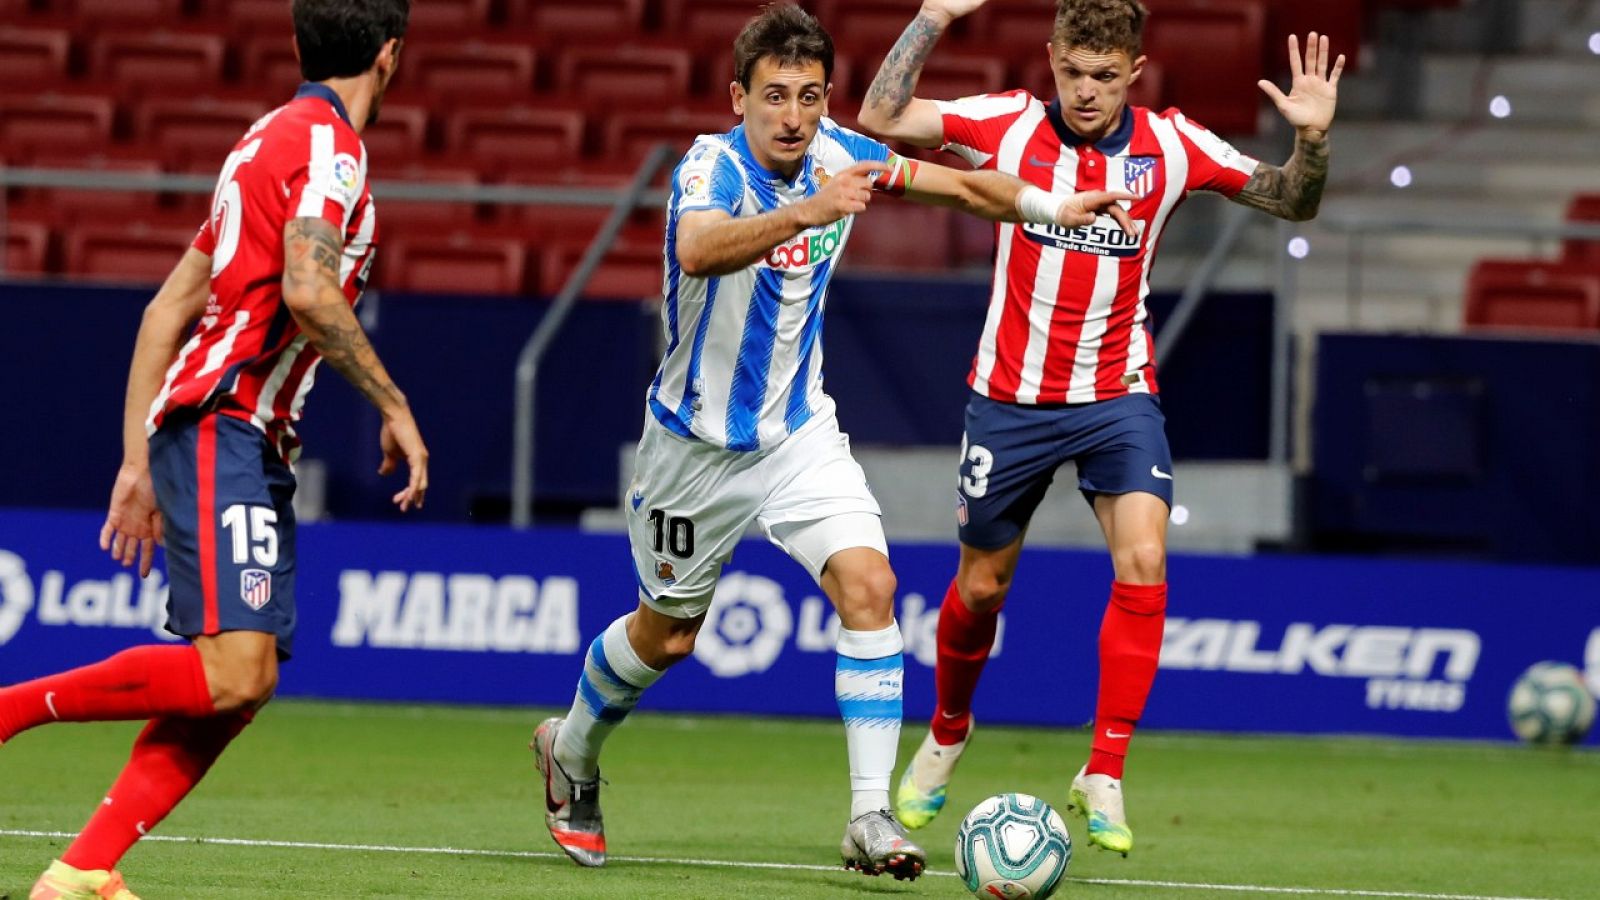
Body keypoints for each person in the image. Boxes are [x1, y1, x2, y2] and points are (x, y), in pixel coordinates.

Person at [529, 3, 1134, 881]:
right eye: (774, 95)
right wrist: (811, 210)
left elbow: (964, 186)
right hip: (694, 449)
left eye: (809, 97)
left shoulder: (842, 153)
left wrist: (1052, 203)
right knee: (667, 638)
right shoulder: (711, 167)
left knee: (871, 582)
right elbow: (698, 252)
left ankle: (868, 815)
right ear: (738, 96)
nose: (792, 116)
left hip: (800, 435)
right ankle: (571, 753)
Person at [857, 0, 1341, 856]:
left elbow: (1290, 204)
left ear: (1136, 71)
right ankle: (948, 730)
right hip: (1009, 399)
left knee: (1147, 559)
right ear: (1051, 57)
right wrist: (932, 15)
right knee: (979, 591)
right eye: (1072, 71)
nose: (1085, 92)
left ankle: (1104, 768)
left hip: (1118, 393)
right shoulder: (1006, 124)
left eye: (1105, 76)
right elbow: (881, 118)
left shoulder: (1174, 145)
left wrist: (1312, 140)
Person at [0, 2, 426, 896]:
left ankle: (80, 873)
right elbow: (309, 291)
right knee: (235, 668)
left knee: (245, 681)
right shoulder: (330, 151)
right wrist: (393, 403)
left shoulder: (259, 144)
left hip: (237, 435)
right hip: (226, 422)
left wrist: (132, 463)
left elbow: (166, 311)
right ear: (390, 56)